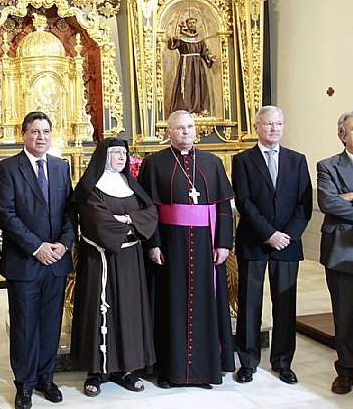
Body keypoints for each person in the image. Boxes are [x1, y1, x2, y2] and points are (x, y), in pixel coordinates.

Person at [139, 110, 234, 388]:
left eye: (190, 127)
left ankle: (204, 370)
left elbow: (224, 208)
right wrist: (153, 243)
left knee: (205, 303)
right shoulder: (154, 163)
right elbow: (148, 210)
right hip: (171, 245)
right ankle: (170, 370)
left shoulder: (212, 162)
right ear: (169, 132)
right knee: (172, 304)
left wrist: (224, 243)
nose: (186, 132)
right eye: (180, 128)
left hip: (206, 246)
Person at [0, 111, 76, 409]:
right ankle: (25, 384)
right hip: (25, 261)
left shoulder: (59, 166)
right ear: (23, 134)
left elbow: (70, 210)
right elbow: (6, 214)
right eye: (34, 131)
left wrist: (64, 245)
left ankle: (46, 377)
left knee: (51, 323)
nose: (41, 137)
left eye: (45, 131)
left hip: (56, 261)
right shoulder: (7, 168)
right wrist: (36, 247)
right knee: (25, 325)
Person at [71, 137, 158, 397]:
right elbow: (97, 222)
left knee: (128, 311)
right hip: (100, 260)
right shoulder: (90, 187)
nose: (122, 158)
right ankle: (95, 371)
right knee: (99, 311)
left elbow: (150, 214)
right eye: (116, 153)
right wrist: (129, 226)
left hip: (130, 261)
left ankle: (126, 369)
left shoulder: (131, 185)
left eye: (124, 153)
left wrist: (127, 219)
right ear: (103, 156)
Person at [232, 105, 312, 385]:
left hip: (288, 244)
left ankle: (282, 361)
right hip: (254, 241)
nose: (273, 129)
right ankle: (248, 362)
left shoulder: (297, 160)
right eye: (267, 124)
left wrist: (287, 235)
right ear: (256, 127)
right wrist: (269, 234)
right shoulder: (242, 160)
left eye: (278, 124)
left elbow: (304, 205)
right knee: (250, 304)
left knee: (285, 304)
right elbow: (244, 201)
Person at [316, 111, 353, 394]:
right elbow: (330, 204)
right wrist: (342, 200)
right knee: (345, 315)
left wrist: (349, 195)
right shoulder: (328, 166)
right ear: (342, 136)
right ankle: (346, 371)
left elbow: (343, 203)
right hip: (343, 252)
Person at [167, 17, 215, 115]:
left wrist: (210, 57)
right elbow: (172, 46)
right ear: (187, 25)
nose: (193, 25)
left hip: (198, 67)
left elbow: (204, 51)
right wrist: (173, 39)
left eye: (194, 23)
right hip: (186, 65)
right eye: (190, 23)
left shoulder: (200, 39)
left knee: (198, 85)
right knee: (187, 86)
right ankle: (186, 109)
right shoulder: (182, 38)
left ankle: (199, 109)